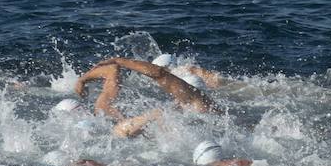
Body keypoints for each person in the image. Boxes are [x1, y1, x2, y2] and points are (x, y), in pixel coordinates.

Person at [73, 57, 221, 127]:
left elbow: (158, 73)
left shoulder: (194, 102)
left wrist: (119, 61)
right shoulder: (210, 110)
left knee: (108, 112)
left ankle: (84, 79)